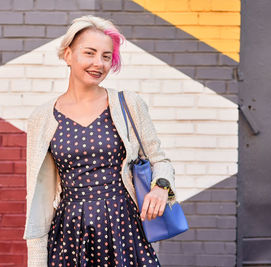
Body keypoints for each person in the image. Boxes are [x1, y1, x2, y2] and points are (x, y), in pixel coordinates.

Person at [23, 15, 177, 266]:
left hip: (125, 227)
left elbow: (160, 160)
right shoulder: (42, 118)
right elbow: (36, 195)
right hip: (70, 232)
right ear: (68, 54)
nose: (99, 63)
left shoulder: (128, 104)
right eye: (90, 53)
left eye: (106, 56)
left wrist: (161, 187)